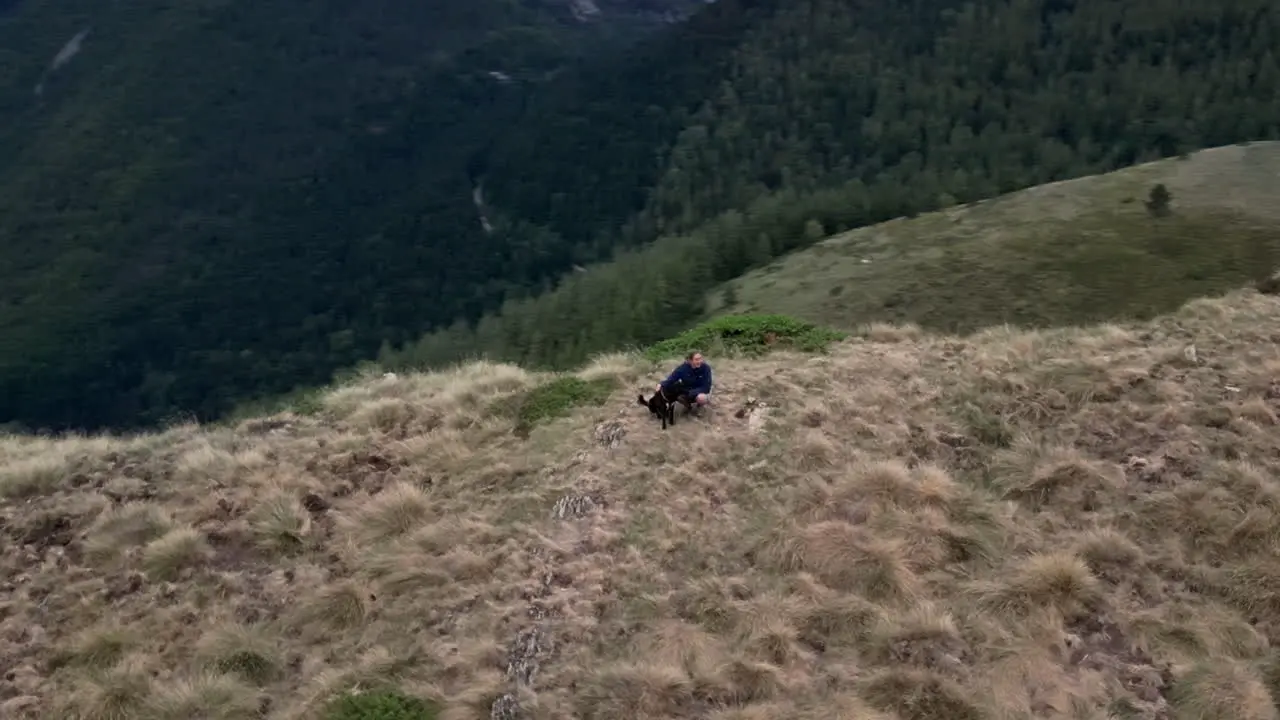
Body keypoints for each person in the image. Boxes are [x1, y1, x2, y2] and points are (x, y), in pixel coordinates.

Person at [658, 350, 713, 415]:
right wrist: (661, 384)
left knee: (701, 398)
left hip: (700, 391)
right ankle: (688, 406)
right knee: (679, 396)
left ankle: (700, 407)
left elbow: (706, 387)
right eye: (696, 359)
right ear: (690, 360)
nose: (699, 361)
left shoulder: (706, 368)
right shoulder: (682, 368)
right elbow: (671, 379)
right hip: (687, 391)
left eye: (700, 359)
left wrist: (692, 393)